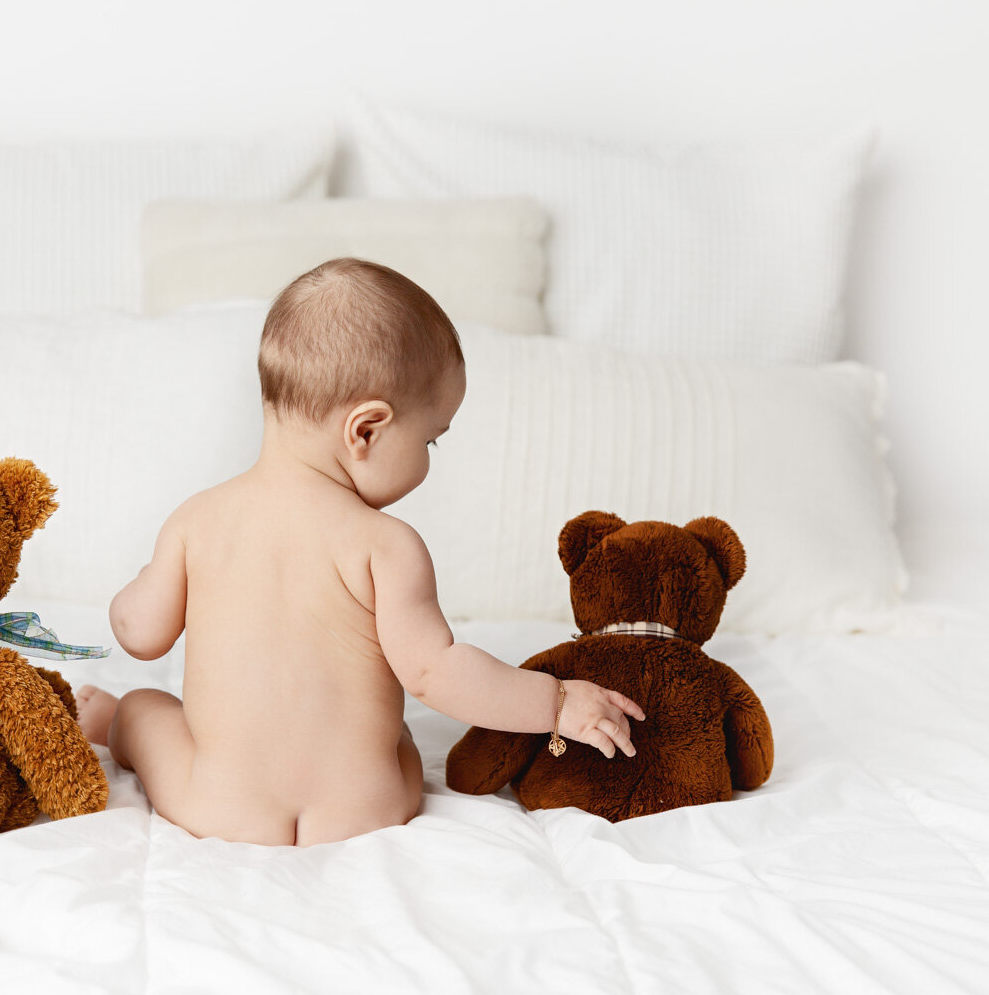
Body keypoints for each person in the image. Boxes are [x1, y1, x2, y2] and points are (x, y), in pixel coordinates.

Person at [77, 258, 644, 846]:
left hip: (219, 805)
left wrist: (142, 585)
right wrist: (555, 704)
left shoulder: (196, 520)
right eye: (430, 440)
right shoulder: (386, 545)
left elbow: (139, 635)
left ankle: (111, 722)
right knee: (390, 731)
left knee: (147, 706)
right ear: (366, 430)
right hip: (363, 806)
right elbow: (436, 673)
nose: (428, 458)